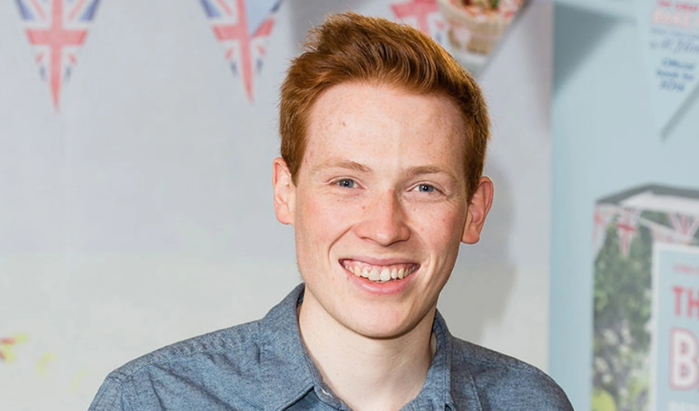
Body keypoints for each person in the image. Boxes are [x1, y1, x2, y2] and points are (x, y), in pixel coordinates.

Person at [88, 12, 573, 411]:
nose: (384, 228)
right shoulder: (150, 400)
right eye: (346, 182)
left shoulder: (534, 403)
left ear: (474, 211)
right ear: (286, 191)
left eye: (424, 187)